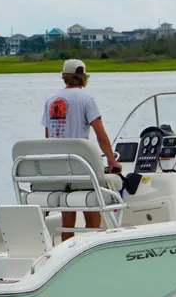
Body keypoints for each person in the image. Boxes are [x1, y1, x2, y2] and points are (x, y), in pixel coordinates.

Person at [41, 59, 121, 239]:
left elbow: (48, 136)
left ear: (64, 77)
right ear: (84, 77)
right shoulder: (86, 99)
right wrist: (111, 160)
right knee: (92, 207)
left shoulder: (50, 99)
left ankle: (65, 249)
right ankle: (92, 242)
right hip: (82, 167)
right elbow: (101, 134)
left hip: (58, 169)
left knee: (67, 216)